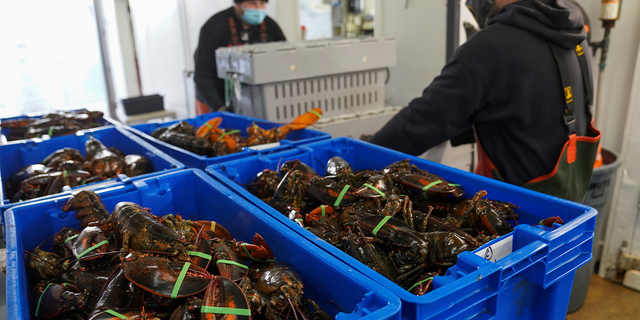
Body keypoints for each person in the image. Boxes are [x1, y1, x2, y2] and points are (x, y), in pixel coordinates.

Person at [368, 0, 600, 202]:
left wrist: (364, 153)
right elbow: (531, 113)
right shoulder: (575, 35)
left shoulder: (490, 47)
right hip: (570, 214)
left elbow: (424, 119)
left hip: (518, 222)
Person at [194, 0, 286, 114]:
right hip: (215, 99)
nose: (258, 8)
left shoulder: (270, 27)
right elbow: (202, 76)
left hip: (257, 100)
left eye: (262, 3)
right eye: (252, 3)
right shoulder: (215, 27)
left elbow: (285, 61)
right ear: (237, 4)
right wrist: (219, 107)